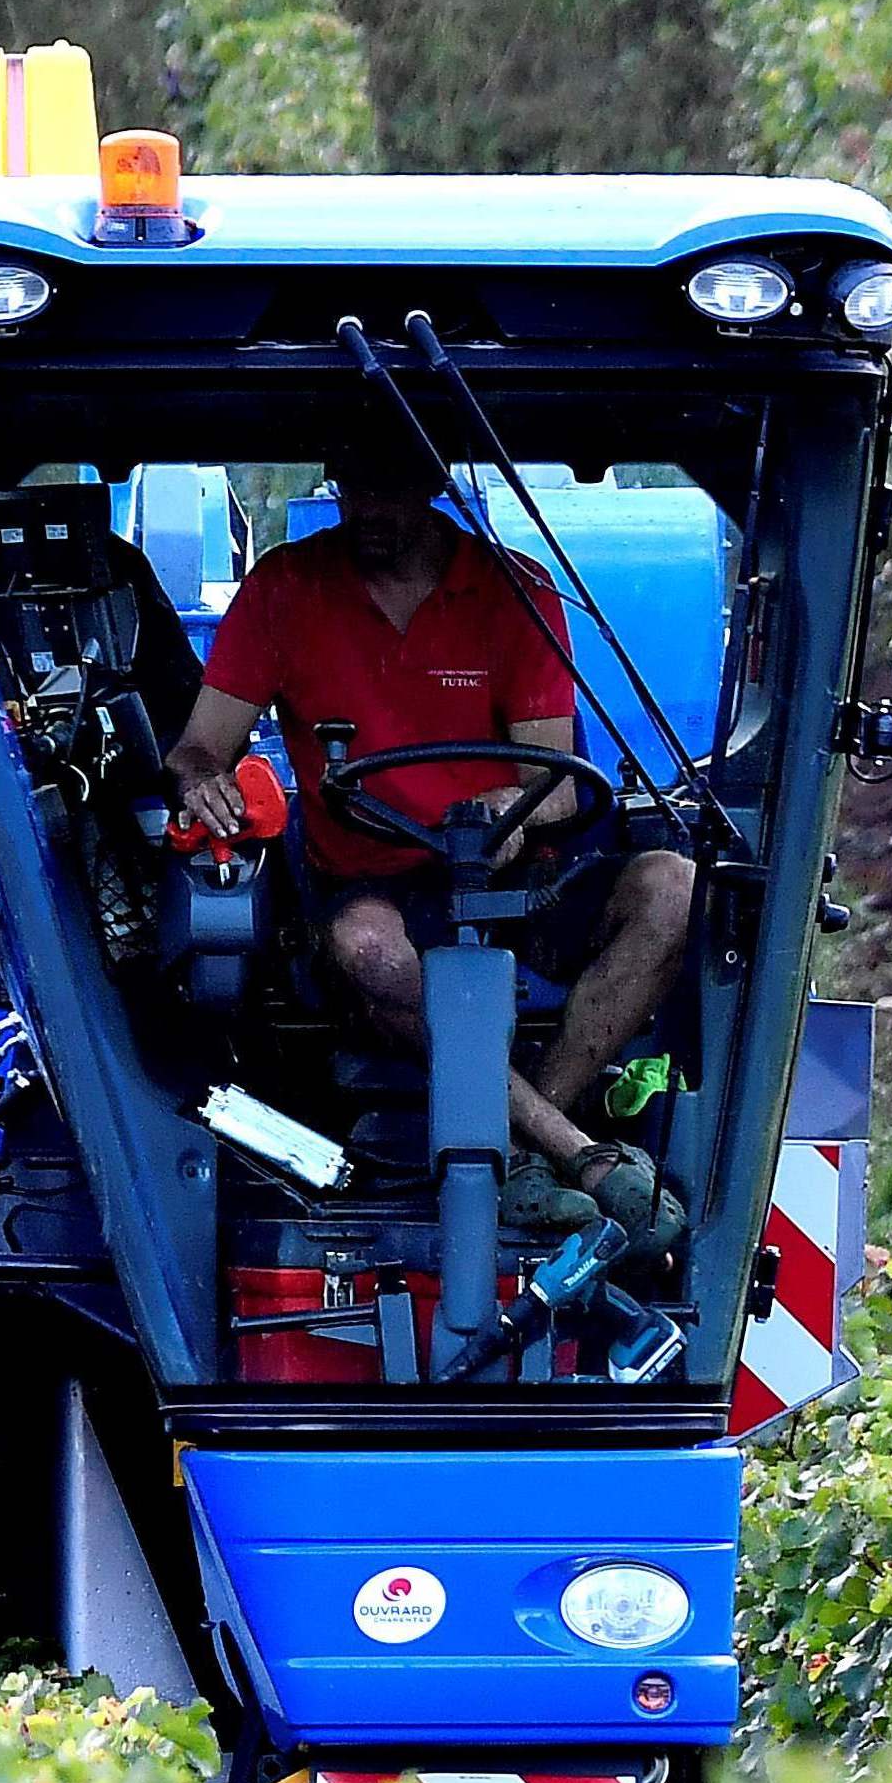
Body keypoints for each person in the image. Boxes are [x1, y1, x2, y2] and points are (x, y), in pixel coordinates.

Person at [162, 442, 701, 1248]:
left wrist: (508, 812)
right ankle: (568, 1149)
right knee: (368, 948)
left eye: (389, 486)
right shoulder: (284, 587)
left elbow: (553, 778)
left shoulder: (513, 587)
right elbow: (197, 747)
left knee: (675, 888)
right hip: (374, 884)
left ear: (433, 482)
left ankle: (514, 1146)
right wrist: (203, 778)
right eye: (352, 484)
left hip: (514, 872)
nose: (368, 509)